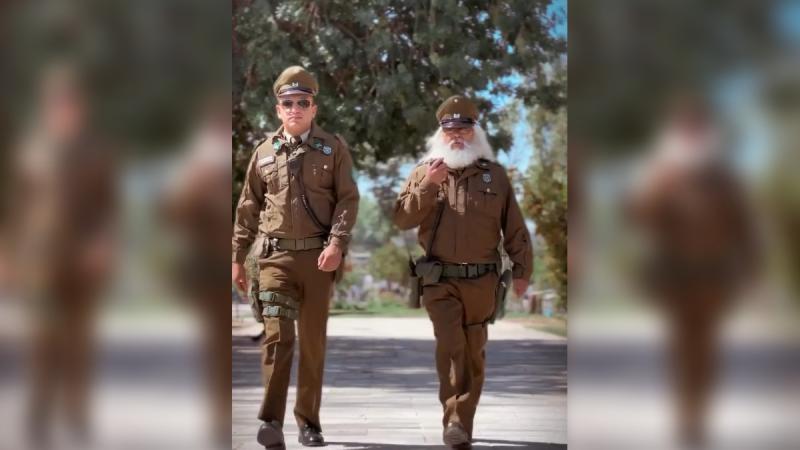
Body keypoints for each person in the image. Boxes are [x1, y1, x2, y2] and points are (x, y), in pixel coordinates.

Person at [393, 95, 532, 448]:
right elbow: (402, 219)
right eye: (450, 129)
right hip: (440, 280)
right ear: (440, 133)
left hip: (483, 282)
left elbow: (514, 228)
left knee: (472, 352)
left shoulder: (495, 176)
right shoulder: (424, 172)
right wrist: (429, 184)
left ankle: (461, 423)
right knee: (451, 344)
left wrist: (522, 271)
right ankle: (453, 421)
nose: (456, 135)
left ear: (475, 131)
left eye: (464, 128)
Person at [231, 66, 359, 448]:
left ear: (314, 108)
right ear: (278, 109)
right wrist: (237, 256)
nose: (295, 109)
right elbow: (248, 206)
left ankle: (309, 423)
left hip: (318, 261)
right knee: (277, 337)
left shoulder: (332, 149)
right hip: (275, 261)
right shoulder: (263, 153)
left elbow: (348, 199)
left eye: (303, 102)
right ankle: (270, 421)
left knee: (313, 343)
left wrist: (336, 244)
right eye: (288, 103)